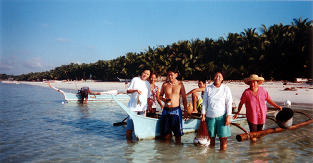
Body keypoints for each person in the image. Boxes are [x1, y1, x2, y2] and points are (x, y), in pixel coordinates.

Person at [233, 74, 282, 142]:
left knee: (260, 134)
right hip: (252, 117)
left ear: (257, 82)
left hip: (261, 116)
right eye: (251, 82)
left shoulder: (263, 90)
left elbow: (268, 100)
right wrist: (237, 113)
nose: (252, 84)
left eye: (254, 82)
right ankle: (253, 149)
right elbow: (241, 103)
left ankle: (259, 150)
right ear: (249, 83)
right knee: (253, 135)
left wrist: (277, 106)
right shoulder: (246, 93)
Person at [201, 72, 233, 151]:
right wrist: (203, 115)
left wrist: (228, 116)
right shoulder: (208, 88)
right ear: (213, 78)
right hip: (210, 117)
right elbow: (204, 102)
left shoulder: (226, 88)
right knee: (211, 138)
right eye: (216, 76)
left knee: (223, 138)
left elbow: (229, 103)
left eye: (220, 76)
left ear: (222, 79)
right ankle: (212, 156)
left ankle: (222, 157)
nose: (217, 77)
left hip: (222, 117)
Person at [159, 68, 188, 144]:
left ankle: (177, 153)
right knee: (166, 135)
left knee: (178, 135)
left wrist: (185, 111)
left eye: (171, 75)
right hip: (166, 111)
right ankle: (168, 153)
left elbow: (184, 99)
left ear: (176, 75)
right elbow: (160, 96)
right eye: (168, 75)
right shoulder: (165, 85)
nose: (170, 76)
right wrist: (164, 99)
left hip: (176, 111)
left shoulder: (180, 84)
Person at [126, 69, 151, 141]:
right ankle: (129, 147)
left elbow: (148, 97)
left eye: (147, 74)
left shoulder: (147, 84)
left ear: (149, 76)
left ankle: (139, 147)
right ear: (142, 72)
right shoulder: (135, 79)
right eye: (144, 73)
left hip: (143, 109)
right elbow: (128, 91)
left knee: (141, 129)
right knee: (129, 129)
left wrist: (148, 106)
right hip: (133, 108)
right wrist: (135, 90)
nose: (145, 75)